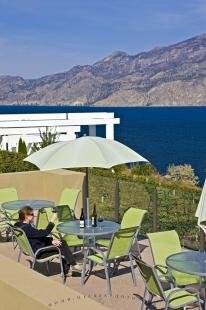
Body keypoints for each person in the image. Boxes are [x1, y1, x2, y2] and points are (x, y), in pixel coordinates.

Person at [14, 206, 81, 275]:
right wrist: (52, 220)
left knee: (60, 243)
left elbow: (36, 237)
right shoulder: (27, 229)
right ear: (26, 216)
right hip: (39, 252)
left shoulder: (18, 226)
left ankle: (69, 267)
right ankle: (71, 266)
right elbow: (45, 232)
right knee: (62, 244)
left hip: (34, 248)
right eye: (32, 215)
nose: (34, 216)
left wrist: (51, 241)